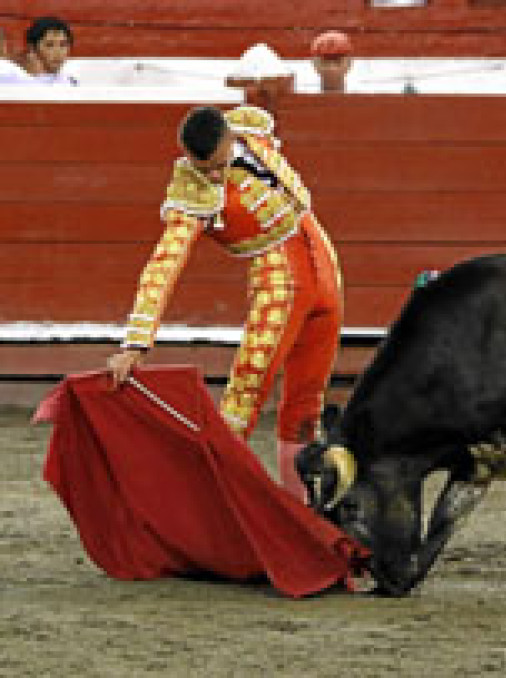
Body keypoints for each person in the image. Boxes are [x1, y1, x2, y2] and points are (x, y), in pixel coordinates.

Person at [107, 105, 342, 502]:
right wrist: (136, 342)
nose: (214, 177)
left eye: (219, 165)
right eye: (205, 169)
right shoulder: (191, 192)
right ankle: (207, 504)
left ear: (231, 138)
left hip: (326, 267)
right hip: (278, 283)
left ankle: (301, 510)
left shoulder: (252, 129)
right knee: (242, 401)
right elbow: (164, 265)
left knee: (306, 402)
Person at [21, 16, 77, 85]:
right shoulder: (18, 80)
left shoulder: (70, 82)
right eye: (49, 45)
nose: (58, 52)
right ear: (32, 48)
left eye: (63, 45)